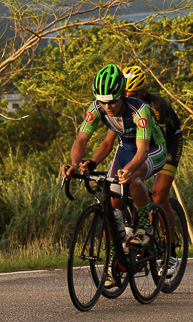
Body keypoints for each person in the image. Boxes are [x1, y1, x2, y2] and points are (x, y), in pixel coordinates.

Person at [61, 63, 167, 286]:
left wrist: (129, 170)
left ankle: (145, 227)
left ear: (122, 96)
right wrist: (75, 164)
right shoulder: (97, 107)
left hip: (152, 149)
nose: (107, 106)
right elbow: (81, 139)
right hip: (125, 147)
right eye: (102, 101)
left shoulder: (140, 109)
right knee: (111, 203)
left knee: (133, 177)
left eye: (112, 101)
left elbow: (142, 151)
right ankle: (116, 259)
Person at [121, 65, 184, 276]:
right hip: (142, 145)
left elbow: (155, 145)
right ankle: (139, 225)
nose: (128, 99)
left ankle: (171, 251)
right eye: (124, 95)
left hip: (166, 145)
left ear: (144, 93)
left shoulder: (156, 105)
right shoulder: (122, 105)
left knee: (159, 195)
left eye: (133, 95)